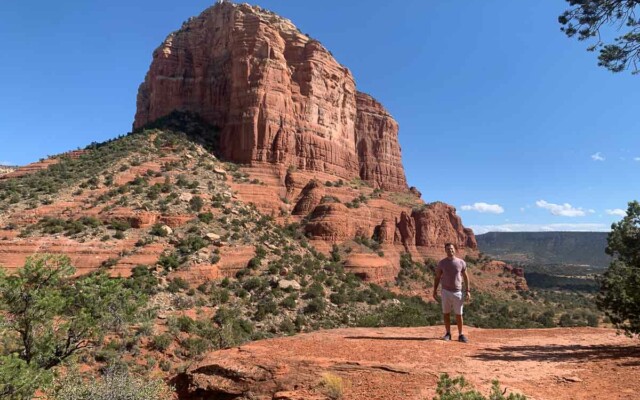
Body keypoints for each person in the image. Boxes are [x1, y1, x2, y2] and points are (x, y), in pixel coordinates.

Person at [433, 242, 471, 343]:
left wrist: (467, 291)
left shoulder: (461, 262)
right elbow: (437, 277)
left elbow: (466, 277)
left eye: (452, 249)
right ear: (445, 251)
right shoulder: (442, 263)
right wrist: (434, 290)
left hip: (458, 292)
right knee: (446, 313)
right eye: (448, 249)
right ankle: (448, 333)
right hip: (445, 291)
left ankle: (461, 334)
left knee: (459, 314)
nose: (450, 250)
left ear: (455, 249)